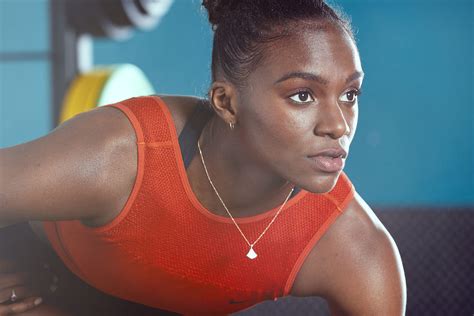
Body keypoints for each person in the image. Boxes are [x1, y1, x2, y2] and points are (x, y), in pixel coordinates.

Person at [0, 0, 407, 315]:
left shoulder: (356, 250)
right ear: (226, 103)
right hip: (34, 278)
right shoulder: (123, 156)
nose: (338, 125)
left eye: (350, 94)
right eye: (302, 95)